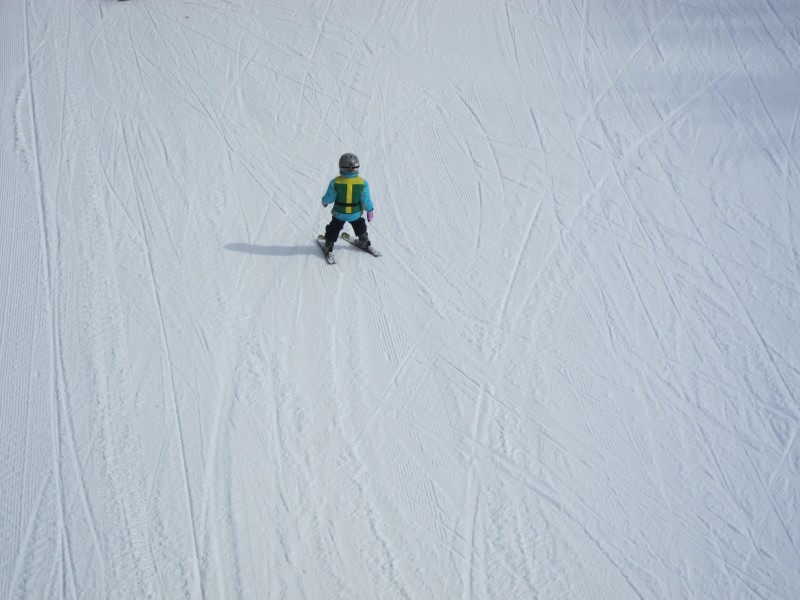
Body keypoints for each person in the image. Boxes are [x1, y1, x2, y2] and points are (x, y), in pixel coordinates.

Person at [321, 153, 374, 253]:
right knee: (359, 224)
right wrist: (370, 210)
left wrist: (324, 202)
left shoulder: (335, 182)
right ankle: (364, 240)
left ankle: (329, 244)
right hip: (355, 213)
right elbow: (365, 200)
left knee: (334, 227)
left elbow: (330, 197)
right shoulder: (362, 183)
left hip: (339, 213)